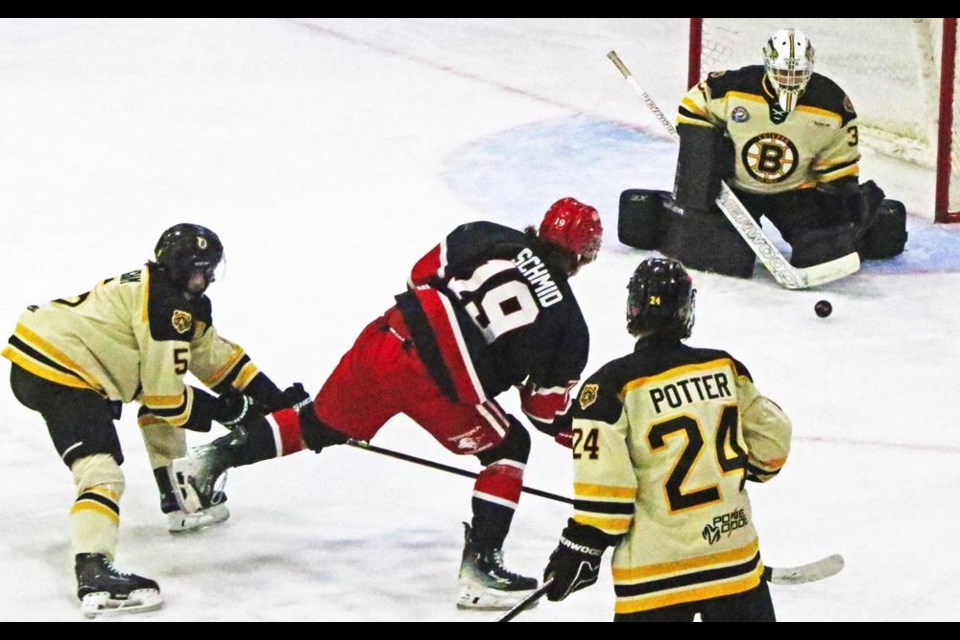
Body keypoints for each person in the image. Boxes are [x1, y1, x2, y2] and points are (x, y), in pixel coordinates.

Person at [169, 198, 603, 610]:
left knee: (318, 422)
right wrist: (588, 436)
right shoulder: (569, 325)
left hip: (389, 339)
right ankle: (481, 570)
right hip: (443, 388)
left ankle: (203, 465)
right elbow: (543, 410)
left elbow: (418, 276)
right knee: (510, 448)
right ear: (583, 258)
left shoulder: (484, 234)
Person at [1, 223, 306, 617]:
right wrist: (229, 411)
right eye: (203, 268)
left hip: (55, 354)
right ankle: (93, 573)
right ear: (182, 270)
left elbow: (212, 357)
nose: (210, 277)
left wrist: (272, 399)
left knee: (159, 394)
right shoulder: (166, 307)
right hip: (57, 371)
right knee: (102, 474)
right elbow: (167, 399)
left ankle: (177, 496)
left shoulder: (175, 297)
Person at [542, 258, 792, 621]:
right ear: (687, 310)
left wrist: (579, 547)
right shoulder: (724, 368)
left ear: (632, 309)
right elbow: (773, 443)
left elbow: (606, 498)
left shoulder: (607, 387)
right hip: (734, 561)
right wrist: (731, 472)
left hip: (654, 574)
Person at [618, 28, 906, 278]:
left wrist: (840, 215)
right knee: (721, 257)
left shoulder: (831, 104)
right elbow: (693, 108)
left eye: (798, 74)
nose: (791, 81)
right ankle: (660, 209)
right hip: (735, 189)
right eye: (783, 73)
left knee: (823, 252)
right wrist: (706, 161)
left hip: (799, 193)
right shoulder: (734, 87)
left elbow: (839, 167)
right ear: (768, 66)